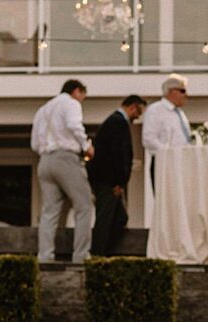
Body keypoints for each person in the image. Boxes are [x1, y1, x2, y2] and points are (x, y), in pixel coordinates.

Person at [31, 79, 94, 263]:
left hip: (45, 160)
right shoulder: (70, 103)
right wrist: (86, 146)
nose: (82, 101)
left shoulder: (43, 110)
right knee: (84, 206)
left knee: (50, 212)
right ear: (77, 91)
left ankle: (45, 256)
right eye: (83, 96)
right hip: (66, 158)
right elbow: (74, 125)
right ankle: (81, 256)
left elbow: (34, 142)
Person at [87, 94, 146, 256]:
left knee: (118, 218)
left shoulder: (113, 121)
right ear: (133, 107)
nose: (138, 116)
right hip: (108, 181)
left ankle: (102, 252)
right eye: (138, 112)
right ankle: (98, 253)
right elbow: (118, 154)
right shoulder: (118, 122)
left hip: (107, 180)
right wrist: (118, 182)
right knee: (106, 219)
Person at [140, 75, 191, 188]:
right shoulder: (156, 110)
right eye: (183, 91)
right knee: (166, 201)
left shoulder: (179, 113)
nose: (186, 95)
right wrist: (169, 153)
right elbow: (149, 139)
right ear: (171, 91)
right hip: (165, 163)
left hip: (181, 163)